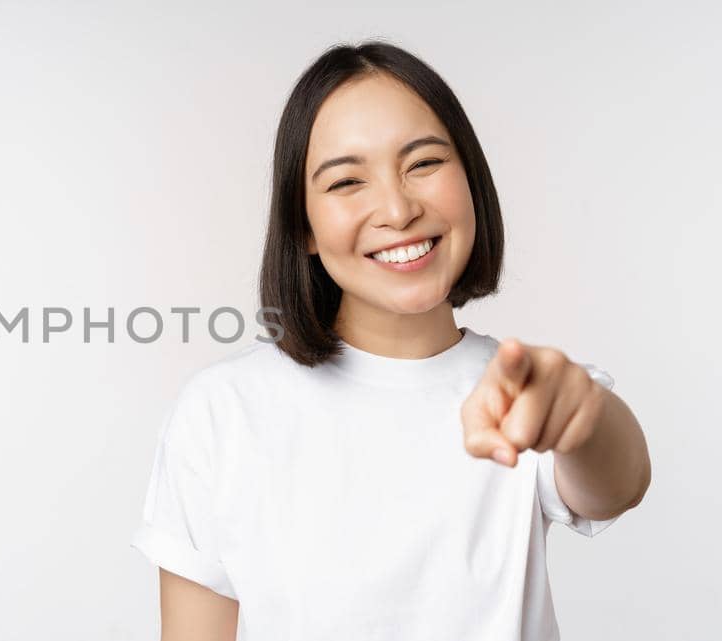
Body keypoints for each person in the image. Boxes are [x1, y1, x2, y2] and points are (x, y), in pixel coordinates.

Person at [130, 41, 652, 641]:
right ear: (302, 226)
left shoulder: (524, 391)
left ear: (472, 181)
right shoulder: (225, 411)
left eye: (424, 164)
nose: (398, 209)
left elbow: (620, 483)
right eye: (347, 180)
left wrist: (579, 416)